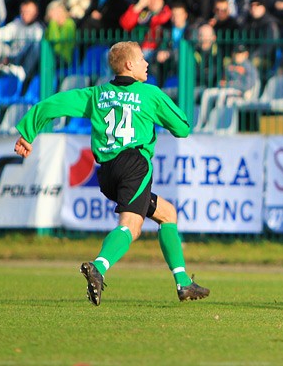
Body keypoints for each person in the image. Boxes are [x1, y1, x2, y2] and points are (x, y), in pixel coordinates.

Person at [13, 41, 209, 305]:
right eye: (142, 59)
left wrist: (28, 132)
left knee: (167, 213)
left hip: (106, 173)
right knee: (131, 226)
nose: (147, 63)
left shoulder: (97, 94)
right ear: (129, 64)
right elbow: (183, 128)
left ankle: (184, 282)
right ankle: (98, 267)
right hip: (134, 165)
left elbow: (55, 103)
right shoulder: (149, 94)